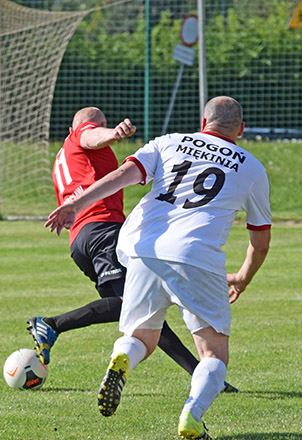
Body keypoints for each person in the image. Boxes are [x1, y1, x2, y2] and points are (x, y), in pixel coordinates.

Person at [45, 96, 271, 440]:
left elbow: (121, 175)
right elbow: (260, 241)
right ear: (241, 129)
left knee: (140, 337)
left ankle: (122, 358)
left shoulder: (169, 142)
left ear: (203, 123)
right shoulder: (252, 168)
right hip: (195, 253)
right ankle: (192, 415)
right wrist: (242, 278)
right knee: (213, 353)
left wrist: (76, 203)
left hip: (141, 248)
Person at [28, 106, 237, 392]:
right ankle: (51, 324)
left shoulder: (62, 157)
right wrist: (112, 133)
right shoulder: (81, 137)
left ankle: (205, 376)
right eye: (99, 124)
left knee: (142, 312)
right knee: (136, 305)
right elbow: (90, 135)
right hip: (103, 231)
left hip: (80, 241)